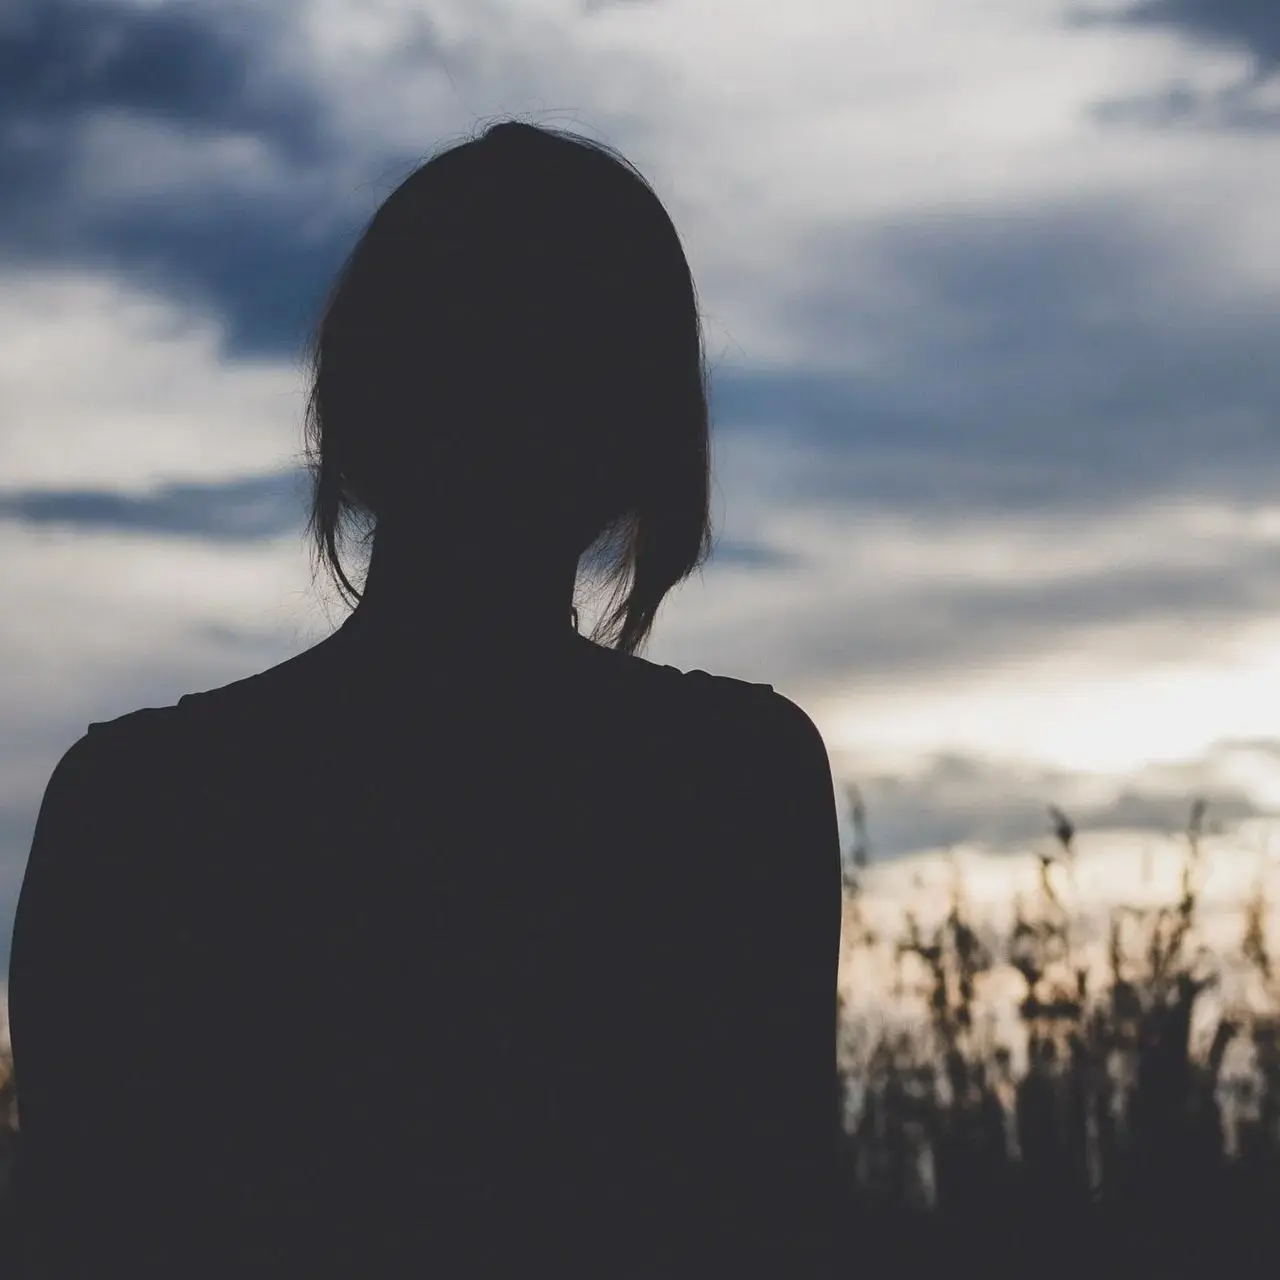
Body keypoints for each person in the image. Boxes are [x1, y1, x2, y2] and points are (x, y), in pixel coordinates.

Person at [7, 119, 845, 1277]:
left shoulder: (135, 805)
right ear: (638, 438)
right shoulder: (728, 786)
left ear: (352, 414)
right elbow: (765, 1215)